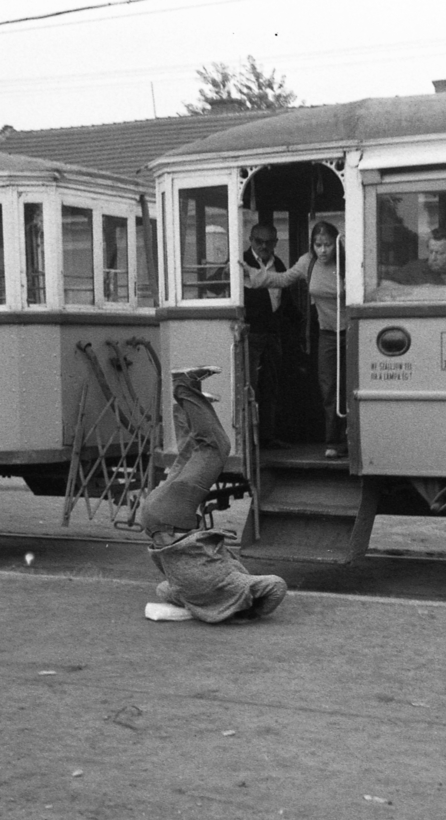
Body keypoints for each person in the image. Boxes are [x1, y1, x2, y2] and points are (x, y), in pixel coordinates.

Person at [137, 365, 288, 623]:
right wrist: (195, 606)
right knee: (188, 455)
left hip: (172, 515)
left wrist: (252, 611)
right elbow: (162, 589)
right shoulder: (189, 596)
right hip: (154, 521)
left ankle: (184, 386)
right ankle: (189, 403)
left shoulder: (238, 586)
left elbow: (277, 585)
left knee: (216, 447)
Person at [243, 220, 348, 458]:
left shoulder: (348, 262)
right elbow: (280, 280)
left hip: (353, 331)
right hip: (327, 333)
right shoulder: (307, 262)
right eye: (318, 245)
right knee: (328, 386)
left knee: (350, 386)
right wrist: (249, 273)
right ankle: (333, 441)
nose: (323, 250)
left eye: (328, 245)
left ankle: (353, 438)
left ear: (336, 244)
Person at [241, 223, 296, 449]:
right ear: (250, 240)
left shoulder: (279, 264)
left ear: (275, 243)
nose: (263, 246)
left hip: (272, 334)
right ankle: (247, 440)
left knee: (271, 385)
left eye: (268, 242)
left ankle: (267, 436)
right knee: (249, 386)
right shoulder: (240, 262)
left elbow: (286, 300)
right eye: (258, 241)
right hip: (251, 334)